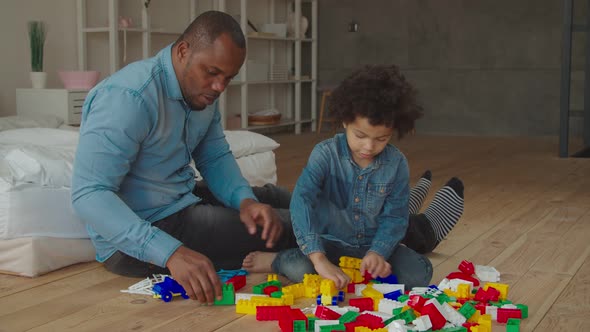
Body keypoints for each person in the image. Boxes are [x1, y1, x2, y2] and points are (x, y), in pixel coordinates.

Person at [71, 11, 298, 305]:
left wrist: (244, 201)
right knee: (288, 226)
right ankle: (361, 236)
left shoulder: (201, 93)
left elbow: (214, 156)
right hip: (142, 234)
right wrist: (170, 252)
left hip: (181, 199)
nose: (219, 87)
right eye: (212, 72)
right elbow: (88, 194)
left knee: (273, 198)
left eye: (228, 78)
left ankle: (363, 214)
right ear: (182, 51)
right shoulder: (128, 98)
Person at [242, 65, 465, 290]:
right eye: (360, 135)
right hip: (328, 243)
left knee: (419, 273)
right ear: (345, 121)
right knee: (301, 269)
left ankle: (394, 238)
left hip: (371, 245)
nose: (369, 147)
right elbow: (302, 202)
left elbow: (395, 217)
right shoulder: (325, 154)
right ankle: (275, 260)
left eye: (382, 139)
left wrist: (379, 252)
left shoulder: (396, 164)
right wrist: (318, 258)